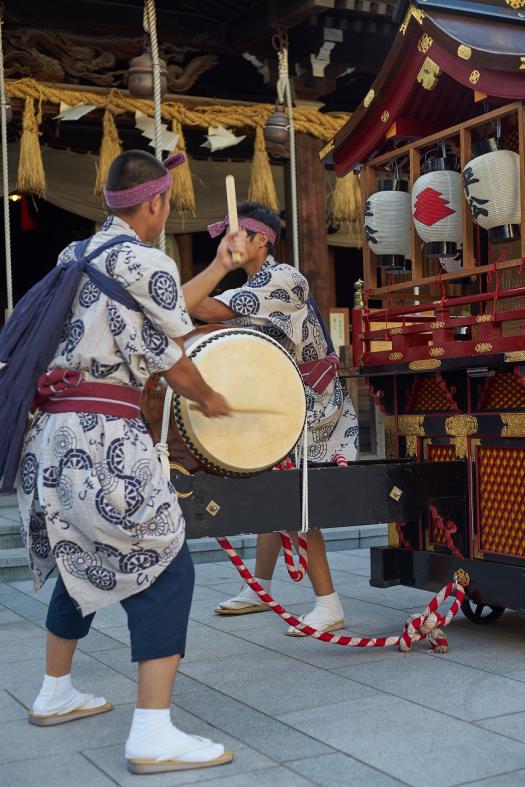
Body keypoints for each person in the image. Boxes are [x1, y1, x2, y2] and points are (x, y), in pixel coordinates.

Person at [15, 150, 248, 775]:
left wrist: (219, 268)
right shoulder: (149, 261)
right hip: (103, 438)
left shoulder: (75, 255)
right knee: (166, 563)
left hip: (52, 440)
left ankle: (55, 691)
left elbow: (156, 312)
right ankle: (152, 732)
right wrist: (212, 399)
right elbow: (174, 354)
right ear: (154, 203)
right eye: (168, 202)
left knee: (78, 555)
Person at [188, 202, 359, 635]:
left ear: (261, 240)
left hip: (313, 407)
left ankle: (329, 603)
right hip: (290, 401)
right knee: (274, 490)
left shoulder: (281, 279)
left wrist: (168, 288)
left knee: (294, 497)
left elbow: (204, 310)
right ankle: (260, 586)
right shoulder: (256, 287)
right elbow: (212, 328)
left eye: (235, 236)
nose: (229, 245)